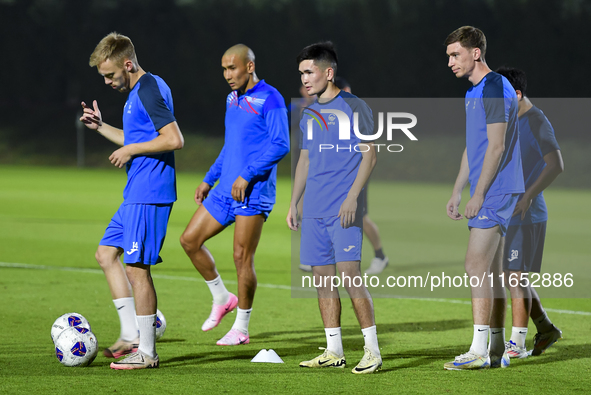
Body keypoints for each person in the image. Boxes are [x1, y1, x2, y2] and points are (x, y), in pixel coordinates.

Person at [80, 32, 184, 369]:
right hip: (135, 193)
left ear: (128, 64)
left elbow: (173, 139)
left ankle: (147, 352)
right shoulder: (136, 93)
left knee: (137, 269)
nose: (108, 82)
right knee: (106, 253)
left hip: (150, 193)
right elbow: (137, 137)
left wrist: (130, 150)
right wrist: (101, 128)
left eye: (110, 75)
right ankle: (130, 334)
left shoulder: (150, 87)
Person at [180, 44, 289, 346]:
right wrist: (208, 179)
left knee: (242, 257)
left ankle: (241, 328)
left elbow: (281, 144)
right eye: (224, 69)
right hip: (224, 190)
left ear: (249, 67)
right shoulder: (232, 99)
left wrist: (248, 174)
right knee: (189, 241)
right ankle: (221, 297)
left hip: (253, 192)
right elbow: (231, 145)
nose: (227, 75)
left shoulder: (271, 98)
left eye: (233, 68)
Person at [288, 41, 381, 374]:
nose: (305, 78)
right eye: (301, 73)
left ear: (328, 72)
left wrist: (353, 197)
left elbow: (370, 155)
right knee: (322, 281)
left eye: (309, 72)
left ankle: (372, 351)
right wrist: (294, 203)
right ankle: (333, 350)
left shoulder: (355, 106)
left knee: (350, 277)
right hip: (313, 209)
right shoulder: (309, 112)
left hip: (343, 210)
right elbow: (305, 160)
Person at [443, 26, 524, 370]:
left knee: (475, 264)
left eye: (455, 54)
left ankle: (478, 351)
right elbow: (472, 147)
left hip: (497, 189)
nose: (450, 62)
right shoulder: (473, 92)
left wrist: (478, 194)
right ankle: (493, 350)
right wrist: (458, 188)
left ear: (476, 53)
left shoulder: (493, 86)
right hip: (488, 189)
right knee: (489, 269)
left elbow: (497, 145)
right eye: (448, 55)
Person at [495, 67, 564, 358]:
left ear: (518, 95)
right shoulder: (511, 122)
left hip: (527, 213)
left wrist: (527, 197)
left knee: (513, 276)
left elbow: (556, 164)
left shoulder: (536, 121)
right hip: (508, 211)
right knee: (513, 275)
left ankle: (517, 344)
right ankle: (545, 328)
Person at [334, 77, 389, 275]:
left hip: (356, 175)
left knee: (361, 218)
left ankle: (380, 256)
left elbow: (369, 153)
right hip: (338, 176)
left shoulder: (357, 111)